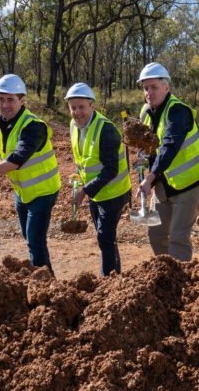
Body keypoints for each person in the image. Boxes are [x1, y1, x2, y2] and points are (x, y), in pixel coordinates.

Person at [0, 74, 61, 271]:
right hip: (22, 191)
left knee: (35, 240)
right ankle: (42, 278)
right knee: (28, 236)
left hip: (43, 191)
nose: (5, 105)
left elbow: (18, 158)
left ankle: (45, 286)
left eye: (10, 100)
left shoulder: (33, 126)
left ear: (22, 100)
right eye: (1, 99)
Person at [137, 62, 199, 261]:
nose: (149, 92)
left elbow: (169, 146)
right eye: (146, 88)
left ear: (166, 87)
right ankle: (165, 273)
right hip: (164, 182)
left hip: (189, 183)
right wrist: (146, 168)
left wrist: (150, 178)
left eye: (154, 87)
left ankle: (182, 283)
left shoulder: (178, 111)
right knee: (156, 233)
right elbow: (151, 147)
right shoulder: (146, 112)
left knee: (178, 237)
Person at [65, 83, 131, 276]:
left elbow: (111, 170)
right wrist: (80, 178)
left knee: (104, 237)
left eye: (81, 107)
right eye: (73, 107)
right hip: (96, 192)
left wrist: (85, 191)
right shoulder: (74, 125)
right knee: (105, 236)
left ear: (92, 106)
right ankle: (113, 275)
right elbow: (84, 157)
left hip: (114, 192)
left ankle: (109, 279)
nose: (77, 112)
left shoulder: (106, 130)